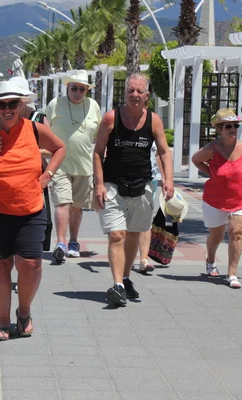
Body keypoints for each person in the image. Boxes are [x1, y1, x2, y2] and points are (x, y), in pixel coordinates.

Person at [0, 81, 66, 341]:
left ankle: (24, 311)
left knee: (31, 264)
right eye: (2, 104)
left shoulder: (34, 129)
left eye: (13, 103)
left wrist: (48, 175)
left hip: (30, 209)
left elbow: (60, 148)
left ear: (22, 104)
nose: (8, 109)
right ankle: (3, 321)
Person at [93, 73, 174, 307]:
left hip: (143, 186)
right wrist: (99, 184)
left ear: (147, 96)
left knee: (134, 234)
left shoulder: (154, 121)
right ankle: (117, 285)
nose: (135, 95)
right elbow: (98, 152)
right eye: (131, 91)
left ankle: (126, 278)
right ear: (125, 93)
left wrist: (168, 179)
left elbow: (164, 151)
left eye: (140, 91)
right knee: (117, 234)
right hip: (113, 185)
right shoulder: (111, 118)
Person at [191, 108, 242, 289]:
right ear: (219, 129)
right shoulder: (211, 148)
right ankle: (210, 259)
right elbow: (195, 160)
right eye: (228, 126)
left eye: (235, 125)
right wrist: (212, 172)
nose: (233, 129)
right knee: (216, 235)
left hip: (241, 198)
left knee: (236, 232)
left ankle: (232, 274)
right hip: (215, 199)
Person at [45, 70, 102, 262]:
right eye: (74, 88)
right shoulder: (55, 104)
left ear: (87, 90)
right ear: (67, 87)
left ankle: (74, 241)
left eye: (82, 89)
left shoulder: (93, 106)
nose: (77, 92)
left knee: (77, 207)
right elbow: (44, 130)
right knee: (62, 202)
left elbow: (100, 136)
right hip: (59, 164)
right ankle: (60, 242)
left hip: (84, 166)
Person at [137, 142, 165, 273]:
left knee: (145, 217)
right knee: (126, 219)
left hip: (150, 178)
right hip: (124, 179)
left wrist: (164, 178)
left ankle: (143, 259)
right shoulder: (120, 124)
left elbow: (159, 154)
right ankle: (123, 254)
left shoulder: (153, 126)